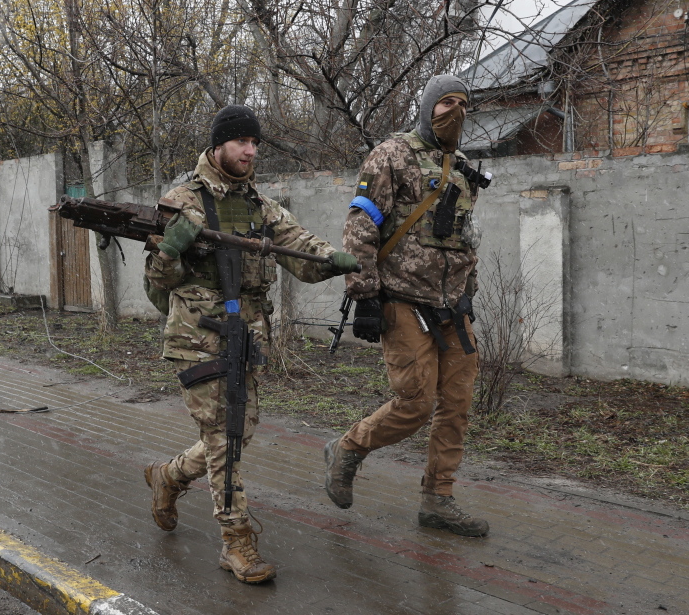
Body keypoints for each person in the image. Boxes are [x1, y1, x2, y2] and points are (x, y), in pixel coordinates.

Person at [143, 104, 360, 583]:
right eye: (242, 141)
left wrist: (333, 259)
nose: (251, 150)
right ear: (219, 144)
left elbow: (299, 246)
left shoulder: (261, 206)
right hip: (199, 340)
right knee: (226, 438)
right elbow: (157, 285)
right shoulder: (182, 200)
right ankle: (236, 540)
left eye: (256, 143)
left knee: (236, 434)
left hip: (245, 337)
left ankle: (170, 475)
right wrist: (171, 248)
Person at [324, 75, 489, 537]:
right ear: (427, 107)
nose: (454, 112)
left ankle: (438, 499)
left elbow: (465, 238)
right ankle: (348, 449)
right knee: (417, 401)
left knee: (456, 404)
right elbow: (361, 226)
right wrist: (366, 295)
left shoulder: (463, 167)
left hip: (452, 305)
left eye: (462, 103)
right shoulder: (392, 154)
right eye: (445, 103)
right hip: (401, 298)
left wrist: (469, 291)